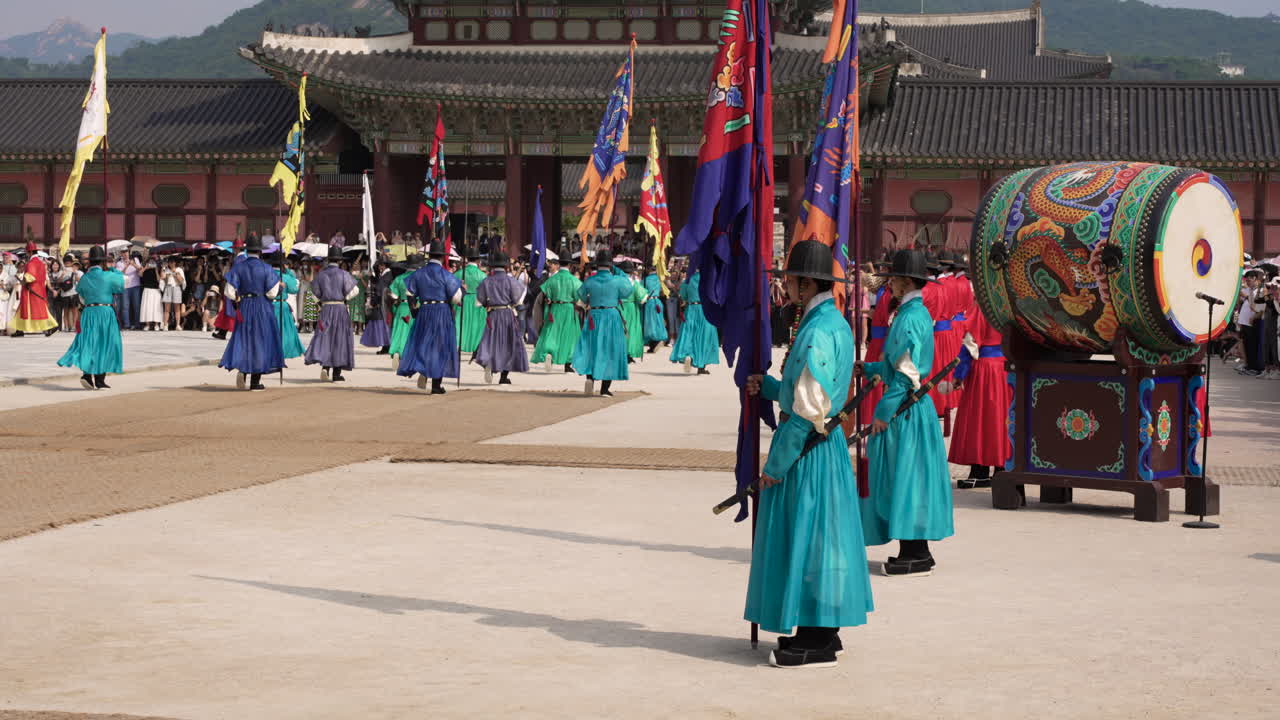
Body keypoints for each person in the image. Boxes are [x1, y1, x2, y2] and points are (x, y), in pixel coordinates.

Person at [743, 240, 874, 669]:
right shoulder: (831, 322)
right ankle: (823, 633)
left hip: (808, 451)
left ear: (803, 282)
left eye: (790, 279)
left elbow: (806, 408)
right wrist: (772, 386)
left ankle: (816, 638)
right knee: (823, 538)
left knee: (812, 539)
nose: (788, 287)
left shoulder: (817, 330)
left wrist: (776, 464)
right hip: (825, 445)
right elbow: (812, 393)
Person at [858, 249, 954, 576]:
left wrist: (884, 412)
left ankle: (915, 552)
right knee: (908, 477)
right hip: (909, 405)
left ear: (907, 281)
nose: (892, 285)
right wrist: (868, 367)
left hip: (905, 408)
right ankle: (916, 550)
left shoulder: (912, 316)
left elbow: (907, 371)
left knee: (906, 477)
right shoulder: (912, 312)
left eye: (895, 279)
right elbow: (894, 365)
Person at [218, 235, 284, 391]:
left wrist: (239, 298)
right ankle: (255, 382)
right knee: (261, 341)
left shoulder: (238, 267)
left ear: (247, 250)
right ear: (260, 252)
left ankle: (243, 370)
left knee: (244, 339)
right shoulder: (266, 268)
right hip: (262, 307)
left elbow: (228, 291)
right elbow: (272, 294)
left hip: (245, 306)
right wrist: (281, 287)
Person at [398, 240, 463, 394]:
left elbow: (410, 294)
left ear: (429, 256)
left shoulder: (418, 273)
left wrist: (414, 312)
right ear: (442, 257)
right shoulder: (446, 275)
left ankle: (423, 370)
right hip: (441, 311)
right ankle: (436, 385)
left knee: (423, 342)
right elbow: (456, 298)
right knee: (440, 347)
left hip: (425, 310)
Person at [57, 246, 123, 389]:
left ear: (90, 262)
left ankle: (87, 375)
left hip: (88, 312)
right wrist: (112, 269)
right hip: (105, 311)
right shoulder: (109, 275)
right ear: (102, 262)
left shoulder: (84, 277)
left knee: (89, 343)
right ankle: (99, 379)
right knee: (106, 343)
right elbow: (122, 283)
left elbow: (80, 296)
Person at [573, 251, 633, 397]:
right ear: (610, 265)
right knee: (610, 349)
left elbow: (580, 295)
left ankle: (590, 379)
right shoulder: (617, 280)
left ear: (597, 265)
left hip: (594, 316)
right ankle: (604, 388)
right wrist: (620, 272)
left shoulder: (590, 281)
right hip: (611, 316)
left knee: (591, 347)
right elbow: (628, 291)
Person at [304, 246, 359, 382]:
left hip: (326, 309)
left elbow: (314, 295)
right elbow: (354, 291)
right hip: (340, 309)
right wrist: (344, 298)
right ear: (340, 261)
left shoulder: (321, 275)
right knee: (340, 340)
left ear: (329, 260)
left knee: (326, 338)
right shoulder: (343, 274)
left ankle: (325, 368)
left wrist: (322, 302)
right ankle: (336, 374)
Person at [473, 252, 529, 385]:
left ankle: (488, 363)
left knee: (490, 341)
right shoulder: (511, 281)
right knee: (509, 344)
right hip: (507, 314)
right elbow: (518, 300)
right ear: (506, 266)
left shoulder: (486, 281)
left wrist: (488, 304)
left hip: (492, 315)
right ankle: (504, 376)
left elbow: (478, 302)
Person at [530, 256, 583, 372]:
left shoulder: (551, 280)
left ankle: (549, 352)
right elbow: (579, 298)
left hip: (554, 308)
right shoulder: (575, 281)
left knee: (551, 332)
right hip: (569, 308)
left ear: (558, 265)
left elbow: (544, 295)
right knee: (570, 336)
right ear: (570, 266)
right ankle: (568, 364)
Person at [670, 269, 719, 375]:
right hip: (706, 310)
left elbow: (683, 295)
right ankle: (701, 366)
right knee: (705, 338)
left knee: (689, 335)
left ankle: (689, 355)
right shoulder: (710, 279)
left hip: (691, 309)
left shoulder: (688, 280)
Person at [10, 242, 58, 337]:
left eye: (27, 252)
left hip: (30, 291)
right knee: (37, 310)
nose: (27, 254)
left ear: (30, 252)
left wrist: (24, 281)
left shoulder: (31, 263)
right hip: (39, 290)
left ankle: (51, 326)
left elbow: (30, 276)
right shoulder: (41, 263)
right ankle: (20, 329)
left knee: (34, 311)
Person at [268, 253, 306, 360]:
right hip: (281, 304)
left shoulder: (267, 275)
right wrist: (289, 272)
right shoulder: (285, 276)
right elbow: (294, 289)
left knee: (269, 330)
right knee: (285, 331)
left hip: (268, 305)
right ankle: (283, 351)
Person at [388, 256, 420, 370]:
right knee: (411, 332)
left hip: (401, 306)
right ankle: (407, 356)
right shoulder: (419, 278)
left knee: (399, 331)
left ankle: (396, 351)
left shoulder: (399, 278)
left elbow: (393, 295)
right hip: (414, 307)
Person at [454, 249, 487, 353]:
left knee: (461, 323)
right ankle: (475, 346)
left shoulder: (458, 274)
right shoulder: (483, 275)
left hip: (462, 299)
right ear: (478, 260)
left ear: (467, 259)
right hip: (478, 300)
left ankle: (459, 345)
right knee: (477, 324)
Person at [617, 261, 647, 362]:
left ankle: (619, 352)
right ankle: (628, 353)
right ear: (631, 272)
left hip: (618, 307)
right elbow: (642, 299)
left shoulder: (616, 281)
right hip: (631, 307)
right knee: (631, 330)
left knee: (620, 329)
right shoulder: (634, 283)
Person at [361, 260, 391, 352]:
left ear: (383, 265)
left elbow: (379, 289)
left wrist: (374, 302)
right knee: (383, 324)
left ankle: (387, 345)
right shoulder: (384, 275)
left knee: (384, 324)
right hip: (382, 302)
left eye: (380, 266)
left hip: (383, 303)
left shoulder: (387, 275)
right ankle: (385, 346)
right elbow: (377, 282)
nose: (378, 268)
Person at [641, 265, 668, 353]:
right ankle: (655, 341)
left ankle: (654, 342)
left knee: (649, 323)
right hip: (658, 301)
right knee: (658, 321)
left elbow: (641, 292)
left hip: (649, 302)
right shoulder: (659, 280)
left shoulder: (645, 280)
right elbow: (663, 291)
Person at [117, 252, 142, 330]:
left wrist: (133, 264)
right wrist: (127, 265)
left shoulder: (135, 259)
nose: (125, 254)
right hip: (125, 286)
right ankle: (127, 324)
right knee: (125, 306)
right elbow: (120, 274)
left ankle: (137, 324)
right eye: (123, 253)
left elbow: (140, 269)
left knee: (137, 306)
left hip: (135, 285)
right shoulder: (119, 263)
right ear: (121, 254)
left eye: (126, 252)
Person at [161, 258, 185, 331]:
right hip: (168, 287)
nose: (171, 263)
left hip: (176, 287)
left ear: (175, 263)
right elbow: (163, 278)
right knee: (167, 308)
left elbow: (181, 281)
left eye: (172, 262)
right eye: (170, 262)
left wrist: (175, 273)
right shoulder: (166, 270)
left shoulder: (179, 269)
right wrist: (163, 269)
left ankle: (177, 325)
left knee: (177, 308)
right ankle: (165, 325)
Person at [0, 253, 19, 336]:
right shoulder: (2, 265)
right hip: (4, 291)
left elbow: (15, 279)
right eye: (4, 257)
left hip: (11, 290)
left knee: (8, 310)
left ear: (10, 258)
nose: (5, 258)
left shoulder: (13, 267)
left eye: (7, 257)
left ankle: (7, 328)